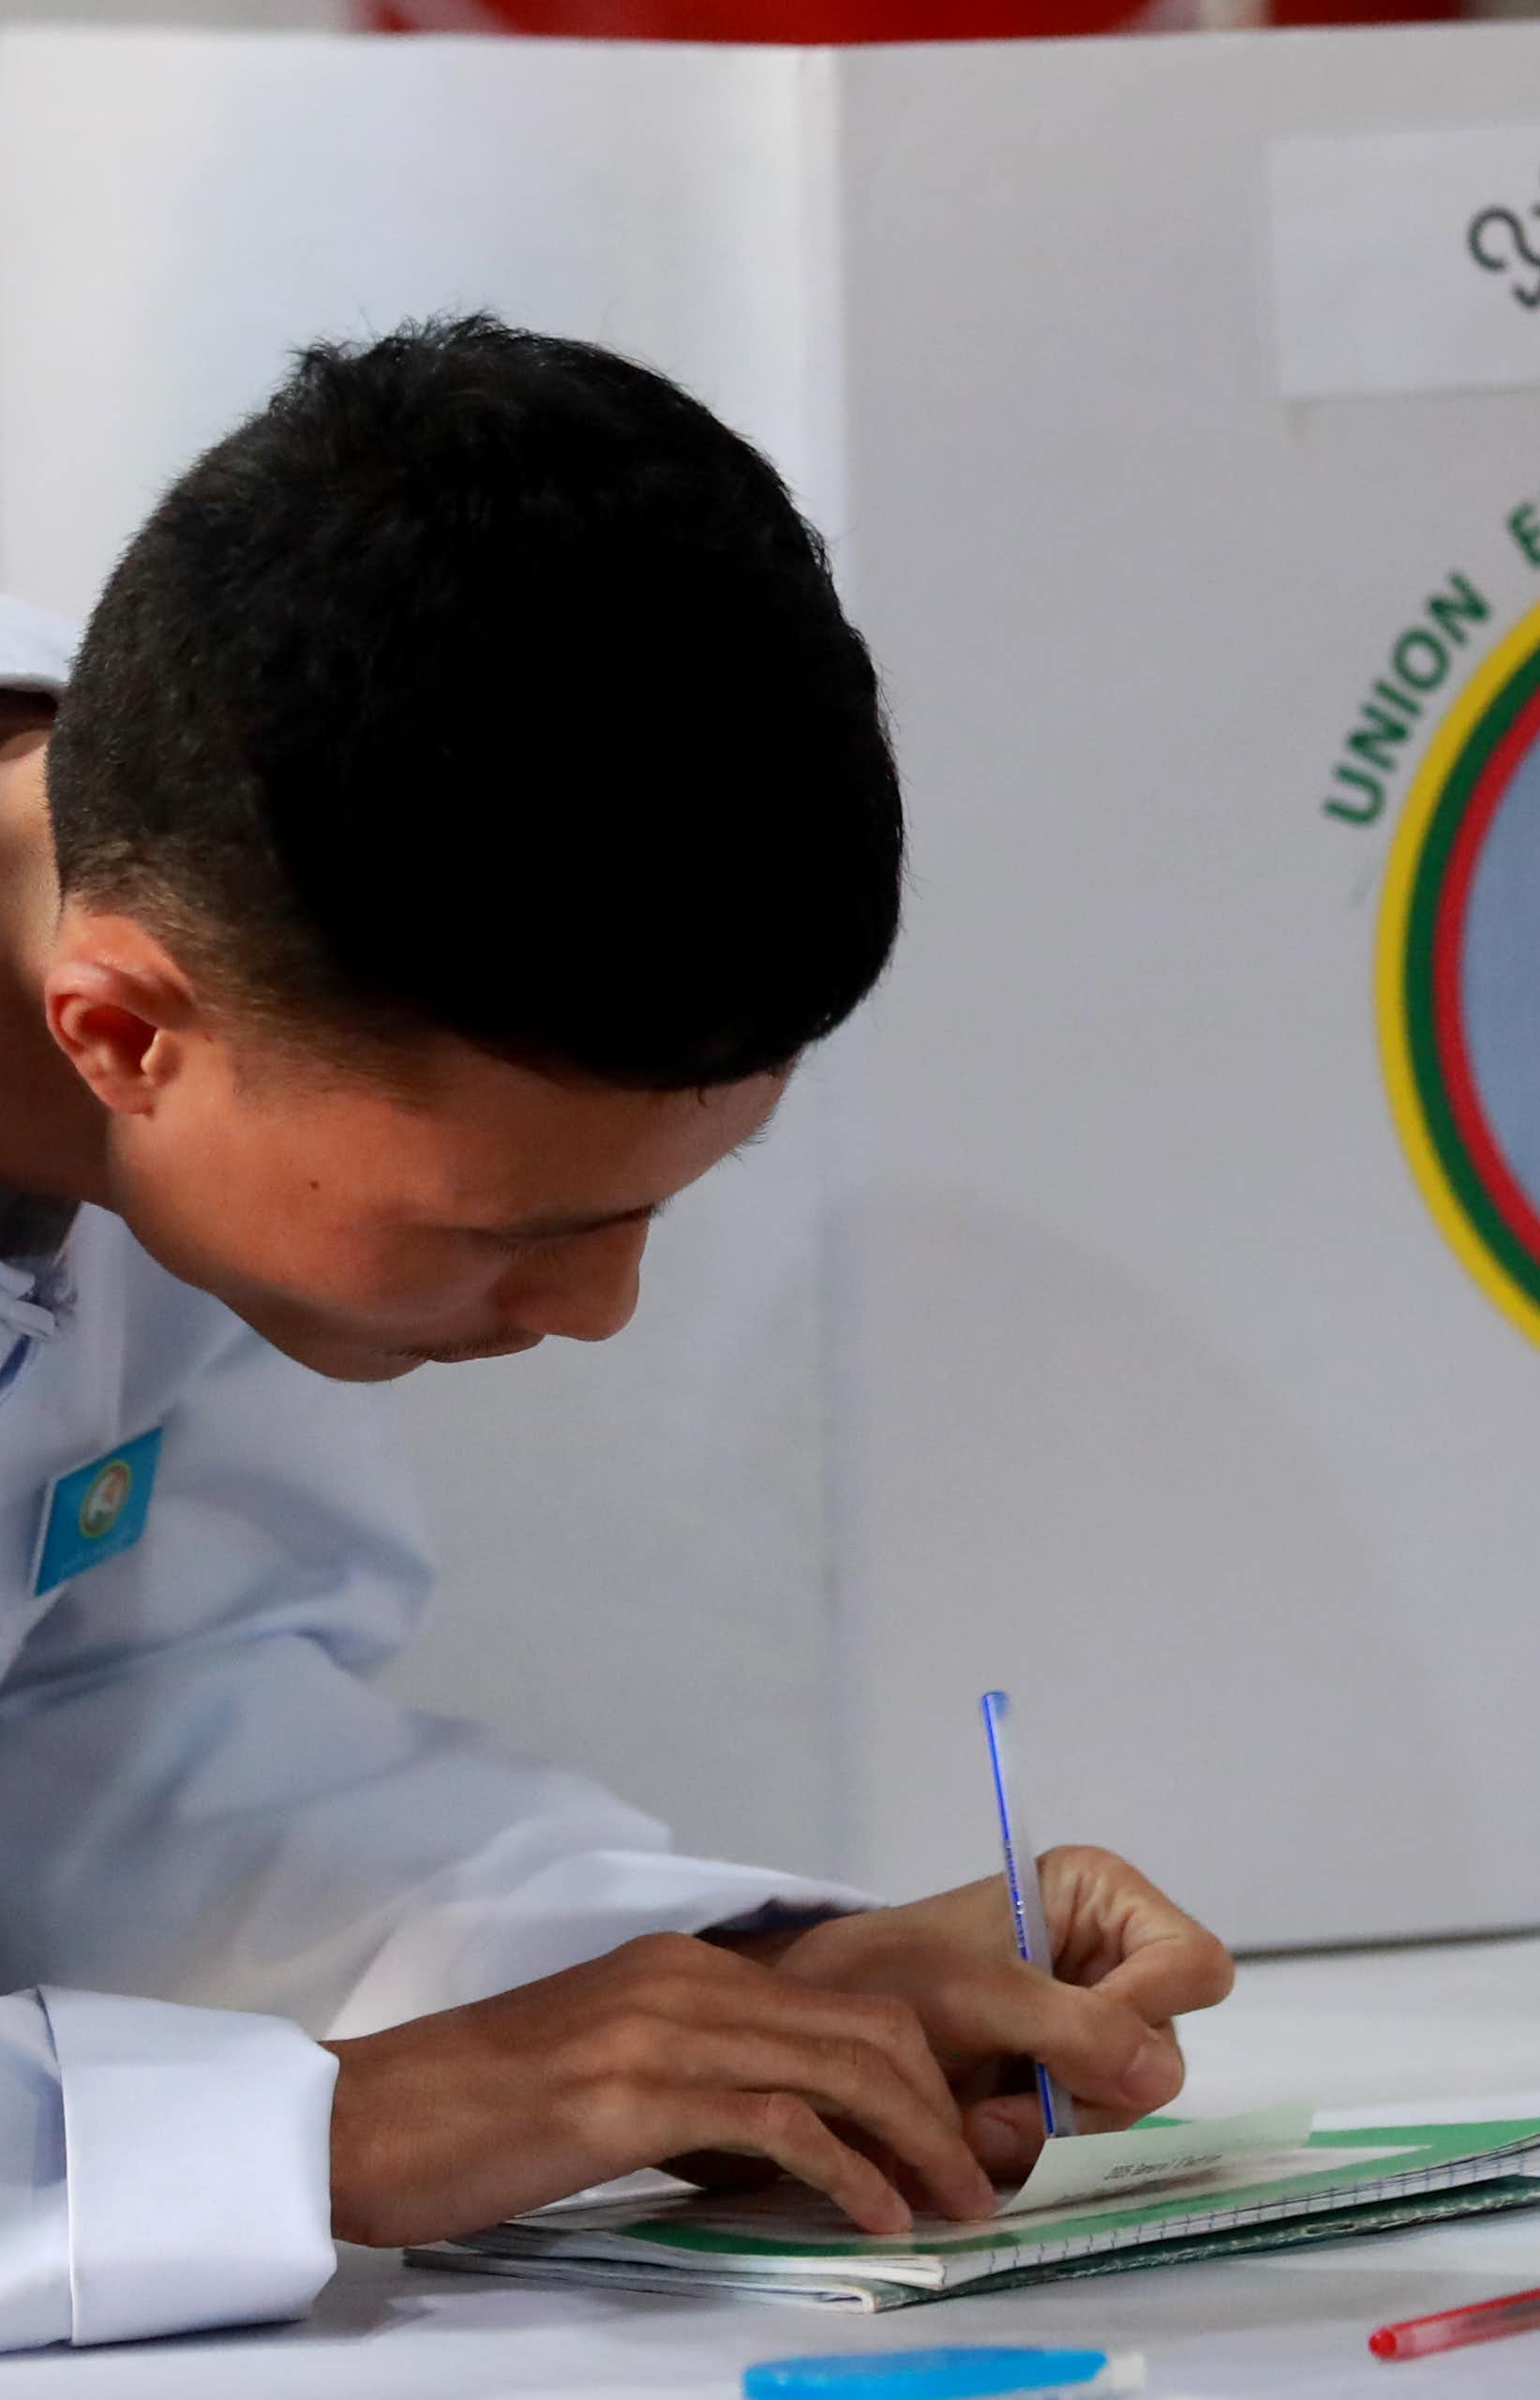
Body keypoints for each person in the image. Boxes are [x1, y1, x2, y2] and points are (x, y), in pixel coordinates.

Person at [0, 316, 1233, 2351]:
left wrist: (742, 1978)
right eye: (516, 1229)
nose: (594, 1308)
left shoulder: (213, 841)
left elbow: (127, 1709)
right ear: (123, 1031)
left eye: (654, 1204)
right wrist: (319, 2133)